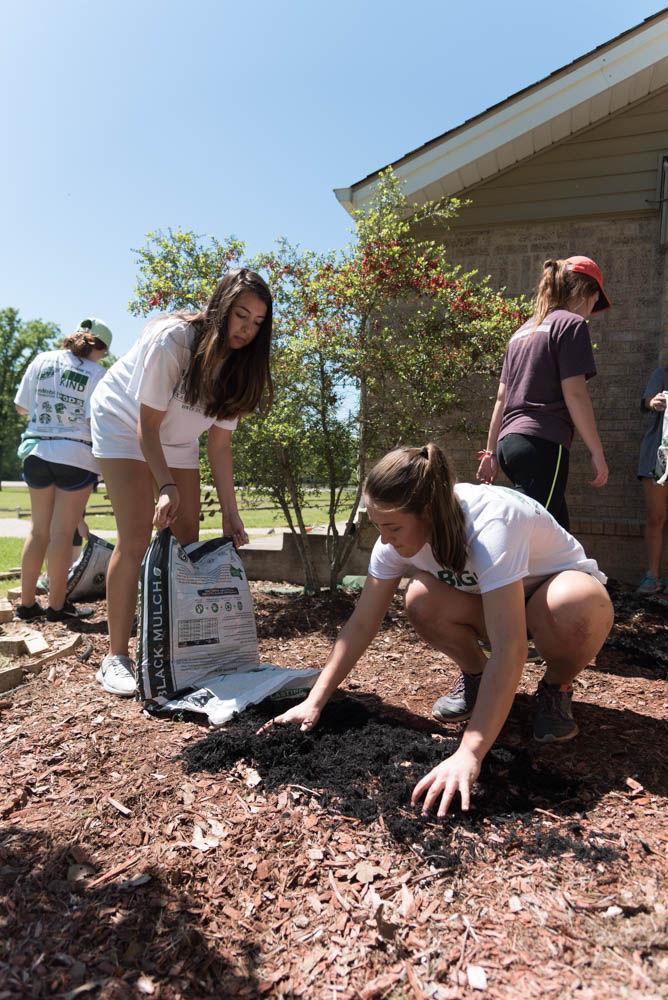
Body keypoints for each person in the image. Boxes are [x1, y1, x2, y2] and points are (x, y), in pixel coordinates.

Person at [261, 444, 614, 818]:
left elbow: (510, 648)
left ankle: (555, 687)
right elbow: (361, 624)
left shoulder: (491, 524)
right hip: (491, 602)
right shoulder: (394, 540)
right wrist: (314, 701)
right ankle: (477, 678)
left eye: (393, 527)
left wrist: (469, 752)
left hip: (554, 598)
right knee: (421, 598)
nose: (384, 538)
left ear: (428, 511)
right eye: (377, 525)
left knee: (574, 607)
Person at [90, 268, 273, 697]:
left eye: (257, 322)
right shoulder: (174, 341)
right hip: (125, 423)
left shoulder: (243, 365)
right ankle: (115, 656)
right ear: (221, 307)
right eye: (240, 315)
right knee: (136, 534)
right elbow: (146, 427)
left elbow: (220, 447)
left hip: (177, 436)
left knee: (185, 537)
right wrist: (166, 484)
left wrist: (231, 512)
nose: (246, 329)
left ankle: (176, 649)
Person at [476, 256, 610, 531]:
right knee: (534, 536)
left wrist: (490, 453)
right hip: (542, 443)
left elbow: (501, 398)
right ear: (589, 293)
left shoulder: (522, 332)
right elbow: (575, 395)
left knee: (561, 538)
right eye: (595, 302)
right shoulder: (571, 325)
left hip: (509, 445)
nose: (591, 311)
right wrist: (597, 452)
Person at [13, 319, 112, 621]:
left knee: (38, 530)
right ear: (103, 349)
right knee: (62, 534)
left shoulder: (42, 359)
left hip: (36, 451)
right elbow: (101, 423)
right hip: (76, 456)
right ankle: (57, 608)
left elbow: (22, 407)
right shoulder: (99, 374)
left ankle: (27, 605)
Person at [636, 364, 668, 595]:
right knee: (656, 516)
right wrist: (654, 402)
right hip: (659, 454)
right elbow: (647, 401)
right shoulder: (663, 373)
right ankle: (652, 576)